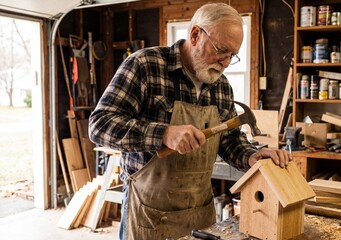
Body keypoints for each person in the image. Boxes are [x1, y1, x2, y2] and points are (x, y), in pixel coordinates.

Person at [88, 3, 291, 240]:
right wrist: (163, 134)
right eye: (221, 50)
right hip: (148, 214)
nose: (225, 62)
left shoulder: (221, 85)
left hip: (199, 214)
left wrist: (250, 155)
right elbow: (100, 125)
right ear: (195, 35)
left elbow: (228, 140)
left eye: (232, 55)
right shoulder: (145, 65)